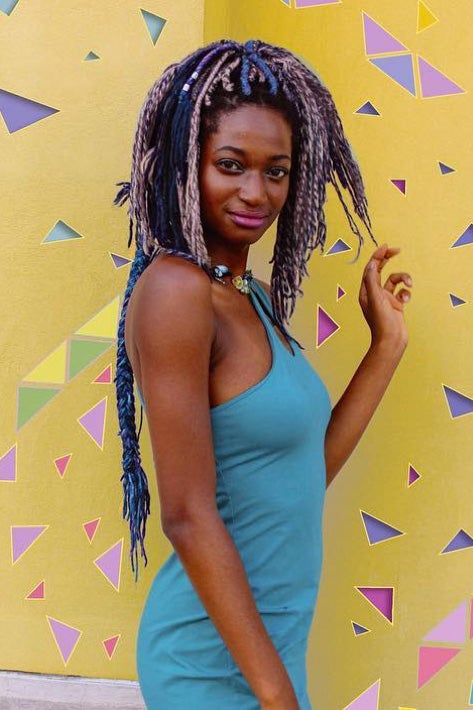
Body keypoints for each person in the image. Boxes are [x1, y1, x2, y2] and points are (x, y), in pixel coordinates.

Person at [113, 39, 412, 709]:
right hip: (212, 664)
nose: (256, 192)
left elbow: (302, 473)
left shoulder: (250, 297)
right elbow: (186, 514)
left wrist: (385, 347)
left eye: (276, 171)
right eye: (230, 165)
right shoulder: (176, 293)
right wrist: (276, 695)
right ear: (188, 165)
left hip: (270, 654)